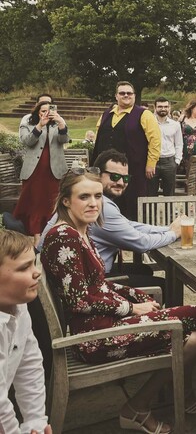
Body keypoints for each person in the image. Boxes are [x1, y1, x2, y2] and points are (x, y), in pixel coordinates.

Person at [40, 171, 196, 433]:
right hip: (96, 338)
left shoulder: (80, 232)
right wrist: (131, 308)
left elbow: (99, 285)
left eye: (97, 196)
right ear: (66, 201)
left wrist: (135, 295)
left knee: (195, 339)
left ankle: (146, 403)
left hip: (107, 324)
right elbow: (79, 301)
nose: (93, 203)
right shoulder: (64, 237)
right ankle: (145, 405)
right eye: (84, 197)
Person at [39, 149, 182, 292]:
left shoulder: (96, 209)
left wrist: (168, 229)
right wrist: (173, 234)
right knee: (165, 285)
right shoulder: (72, 230)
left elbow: (128, 225)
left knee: (143, 270)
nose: (120, 182)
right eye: (114, 176)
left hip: (91, 277)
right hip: (94, 283)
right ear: (97, 175)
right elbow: (141, 243)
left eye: (125, 178)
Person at [0, 231, 51, 434]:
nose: (36, 272)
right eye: (24, 267)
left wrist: (35, 422)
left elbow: (29, 364)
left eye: (33, 263)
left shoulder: (18, 307)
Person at [93, 81, 161, 221]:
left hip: (133, 170)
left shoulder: (144, 114)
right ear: (116, 96)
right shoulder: (106, 114)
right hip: (107, 171)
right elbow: (98, 139)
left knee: (132, 205)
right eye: (122, 93)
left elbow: (155, 140)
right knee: (106, 203)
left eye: (129, 93)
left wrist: (151, 163)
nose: (126, 95)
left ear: (134, 96)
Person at [14, 100, 69, 238]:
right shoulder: (29, 123)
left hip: (54, 171)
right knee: (34, 202)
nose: (46, 113)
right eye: (43, 111)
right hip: (34, 171)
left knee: (51, 202)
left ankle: (51, 231)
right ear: (37, 112)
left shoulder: (58, 123)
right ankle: (35, 233)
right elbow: (27, 141)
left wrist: (62, 124)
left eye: (49, 111)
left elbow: (64, 140)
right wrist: (39, 125)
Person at [148, 97, 183, 197]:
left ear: (169, 108)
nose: (163, 109)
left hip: (169, 162)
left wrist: (177, 161)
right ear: (155, 107)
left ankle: (169, 213)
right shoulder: (149, 123)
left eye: (165, 106)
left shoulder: (175, 125)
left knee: (169, 193)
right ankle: (151, 213)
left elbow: (179, 144)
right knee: (150, 192)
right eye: (160, 106)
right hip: (152, 162)